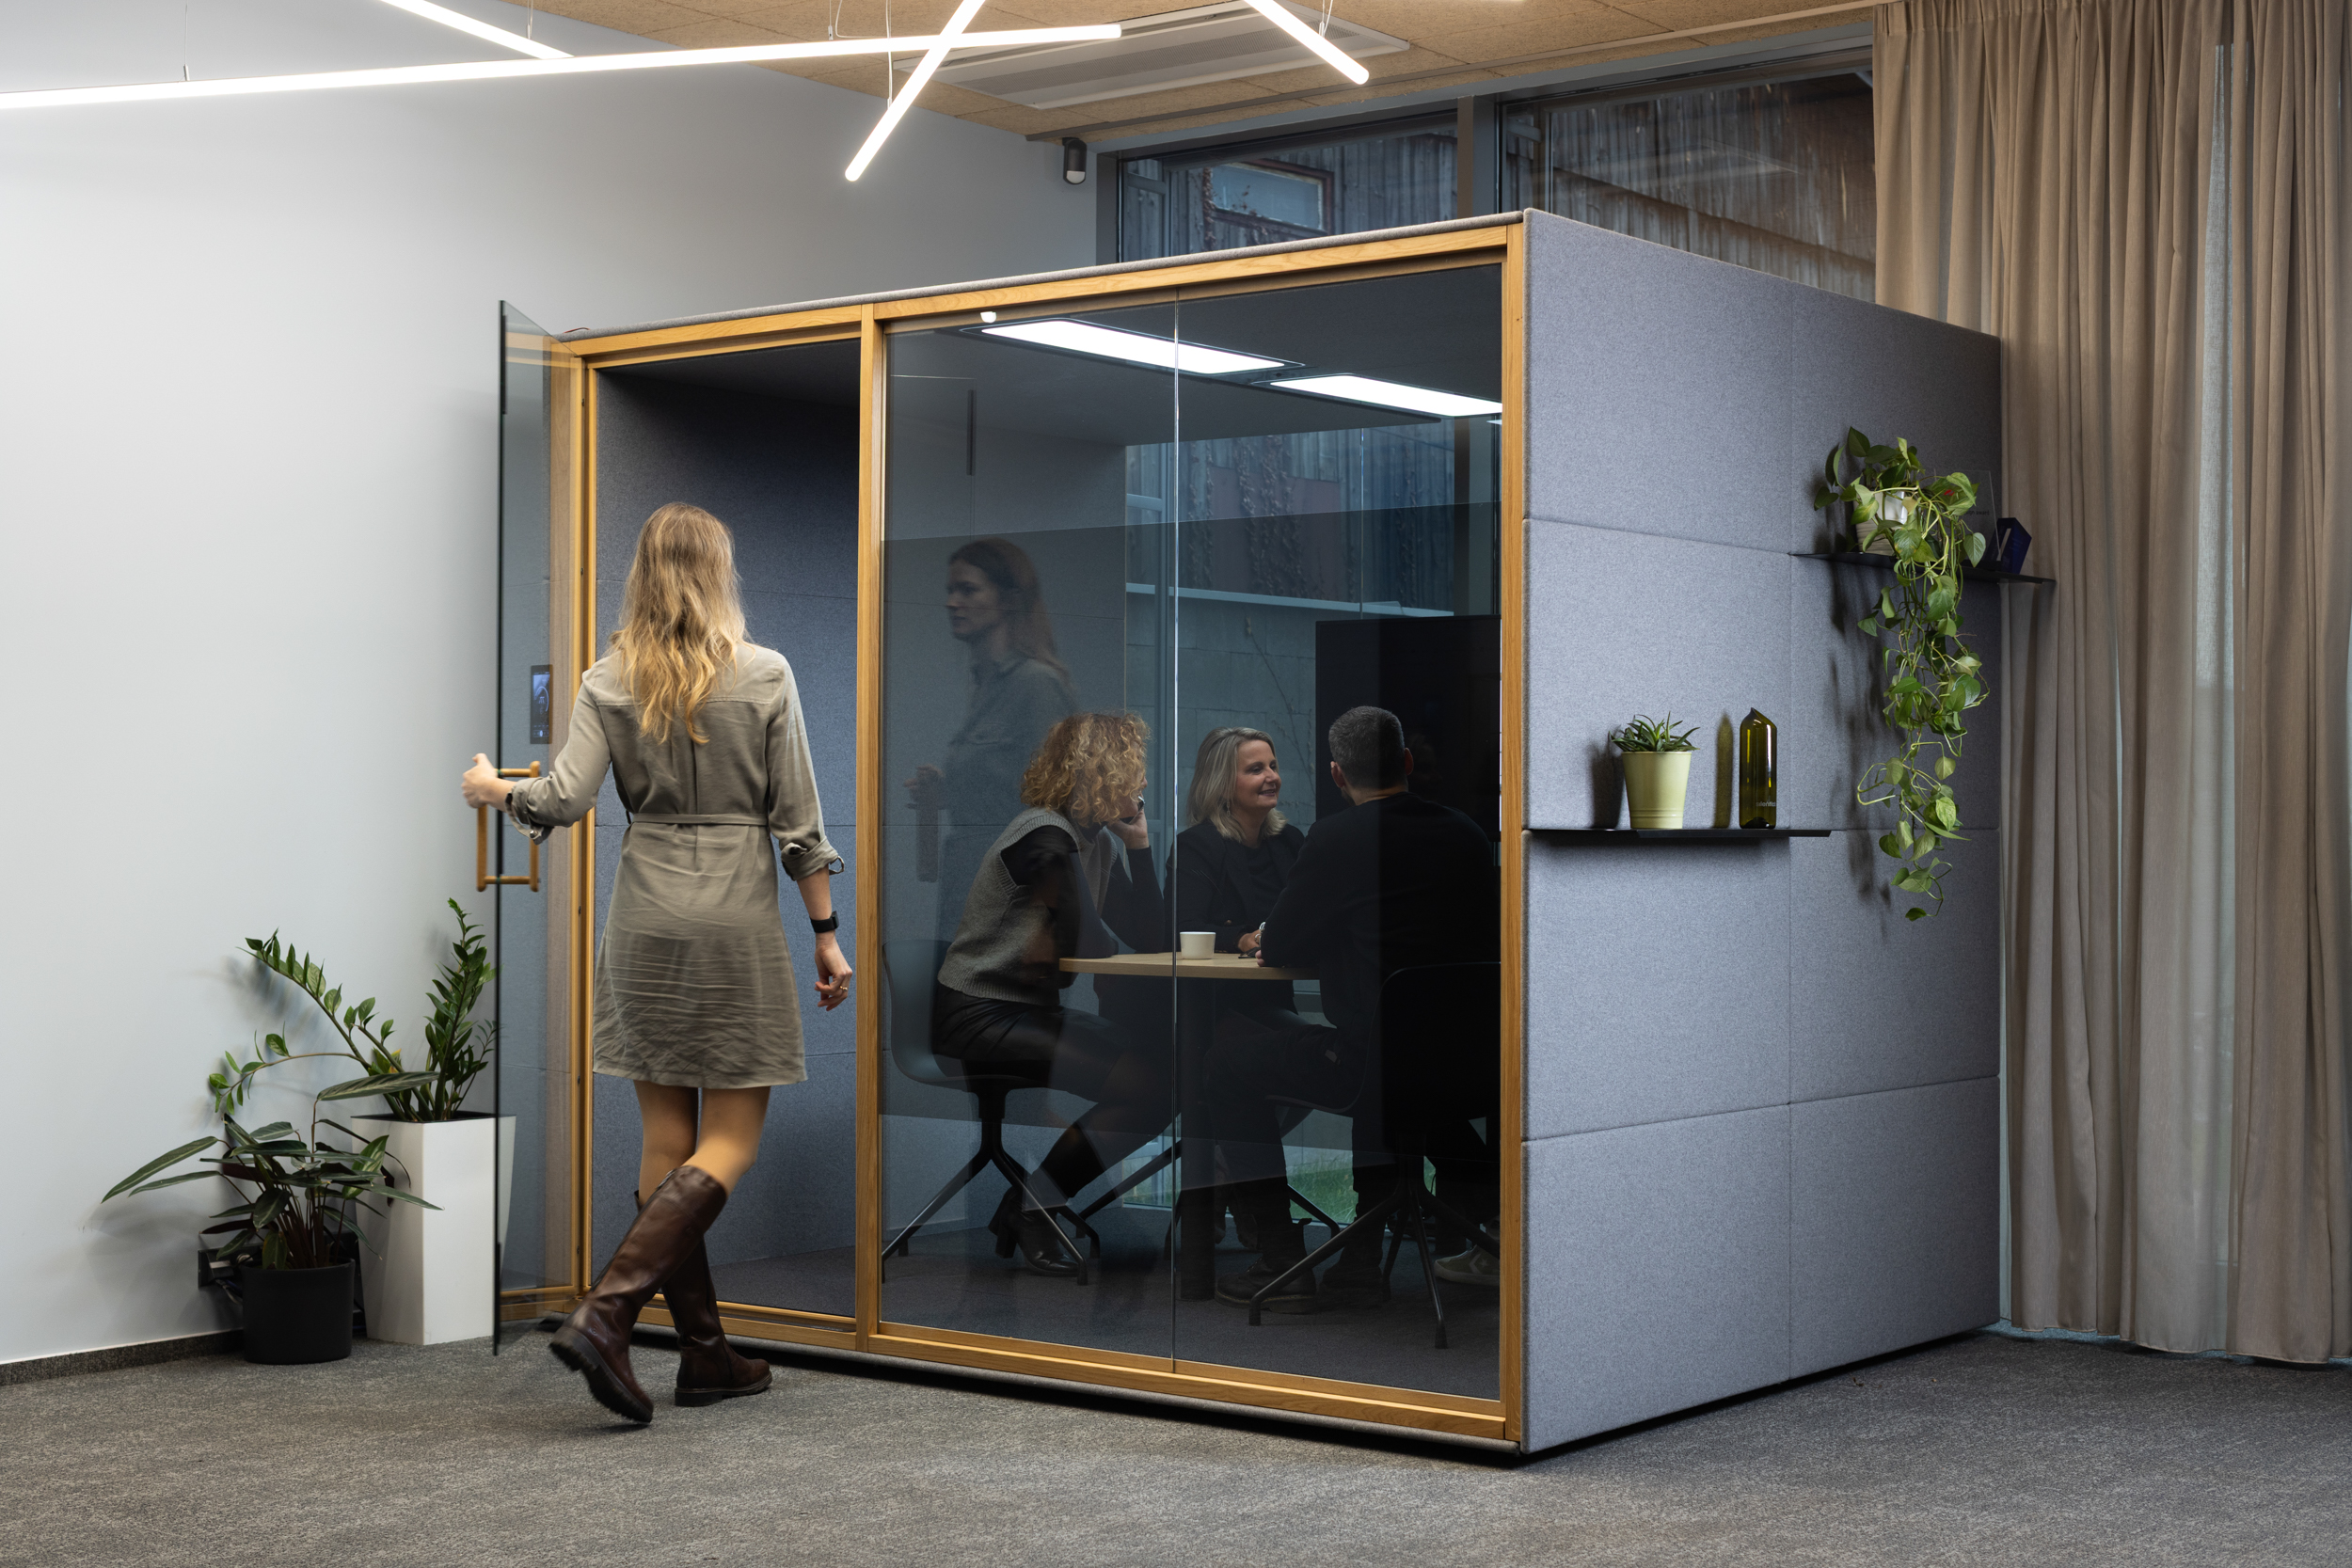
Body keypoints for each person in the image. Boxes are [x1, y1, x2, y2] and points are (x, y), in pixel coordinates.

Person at [461, 502, 851, 1424]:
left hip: (643, 918)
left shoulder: (608, 679)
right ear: (720, 573)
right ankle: (609, 1311)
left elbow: (561, 800)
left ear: (641, 577)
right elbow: (799, 824)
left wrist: (492, 789)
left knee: (667, 1144)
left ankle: (706, 1354)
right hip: (733, 921)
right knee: (732, 1141)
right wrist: (826, 933)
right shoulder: (766, 673)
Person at [1206, 705, 1499, 1313]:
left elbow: (1282, 944)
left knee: (1226, 1061)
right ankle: (1376, 1251)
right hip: (1472, 1064)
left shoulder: (1336, 838)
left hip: (1373, 1062)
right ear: (1408, 762)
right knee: (1396, 1060)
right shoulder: (1468, 835)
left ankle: (1280, 1257)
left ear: (1338, 774)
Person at [931, 712, 1171, 1275]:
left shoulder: (1094, 844)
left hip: (1028, 1013)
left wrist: (1138, 844)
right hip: (979, 1015)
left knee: (1163, 1079)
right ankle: (1036, 1207)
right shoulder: (1043, 836)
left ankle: (1032, 1204)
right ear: (1100, 773)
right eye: (1133, 769)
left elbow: (1151, 937)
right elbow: (1093, 943)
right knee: (1148, 1085)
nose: (1142, 782)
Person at [903, 539, 1076, 939]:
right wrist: (949, 792)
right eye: (951, 590)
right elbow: (1007, 785)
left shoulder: (1035, 685)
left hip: (1012, 903)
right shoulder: (987, 685)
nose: (952, 603)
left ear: (1008, 599)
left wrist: (1039, 926)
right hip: (972, 889)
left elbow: (1054, 809)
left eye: (968, 590)